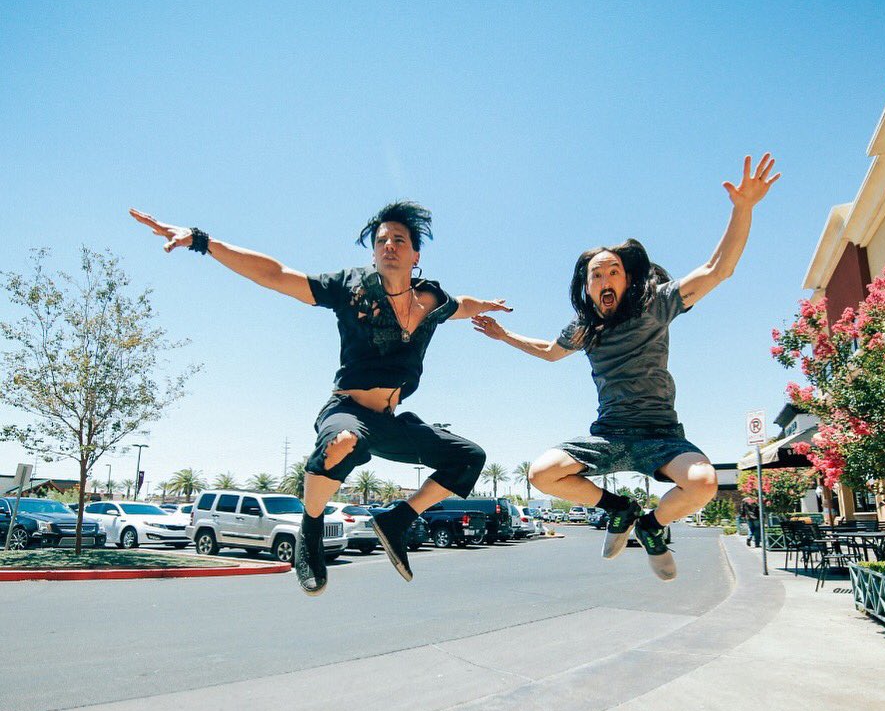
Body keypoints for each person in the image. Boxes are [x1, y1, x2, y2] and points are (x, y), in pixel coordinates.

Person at [130, 202, 511, 593]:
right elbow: (276, 275)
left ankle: (395, 519)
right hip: (346, 410)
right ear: (374, 252)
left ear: (416, 255)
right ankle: (309, 534)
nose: (389, 246)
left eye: (399, 240)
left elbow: (462, 306)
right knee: (343, 443)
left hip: (389, 421)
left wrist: (488, 307)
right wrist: (202, 241)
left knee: (469, 457)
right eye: (381, 241)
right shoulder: (350, 286)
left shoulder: (431, 298)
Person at [473, 155, 780, 580]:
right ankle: (621, 509)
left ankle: (653, 527)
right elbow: (548, 350)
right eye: (595, 275)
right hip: (610, 435)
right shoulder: (586, 328)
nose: (604, 280)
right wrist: (504, 336)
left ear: (628, 280)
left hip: (660, 435)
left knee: (705, 483)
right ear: (587, 286)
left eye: (612, 272)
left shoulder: (657, 305)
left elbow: (718, 269)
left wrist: (743, 208)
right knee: (543, 473)